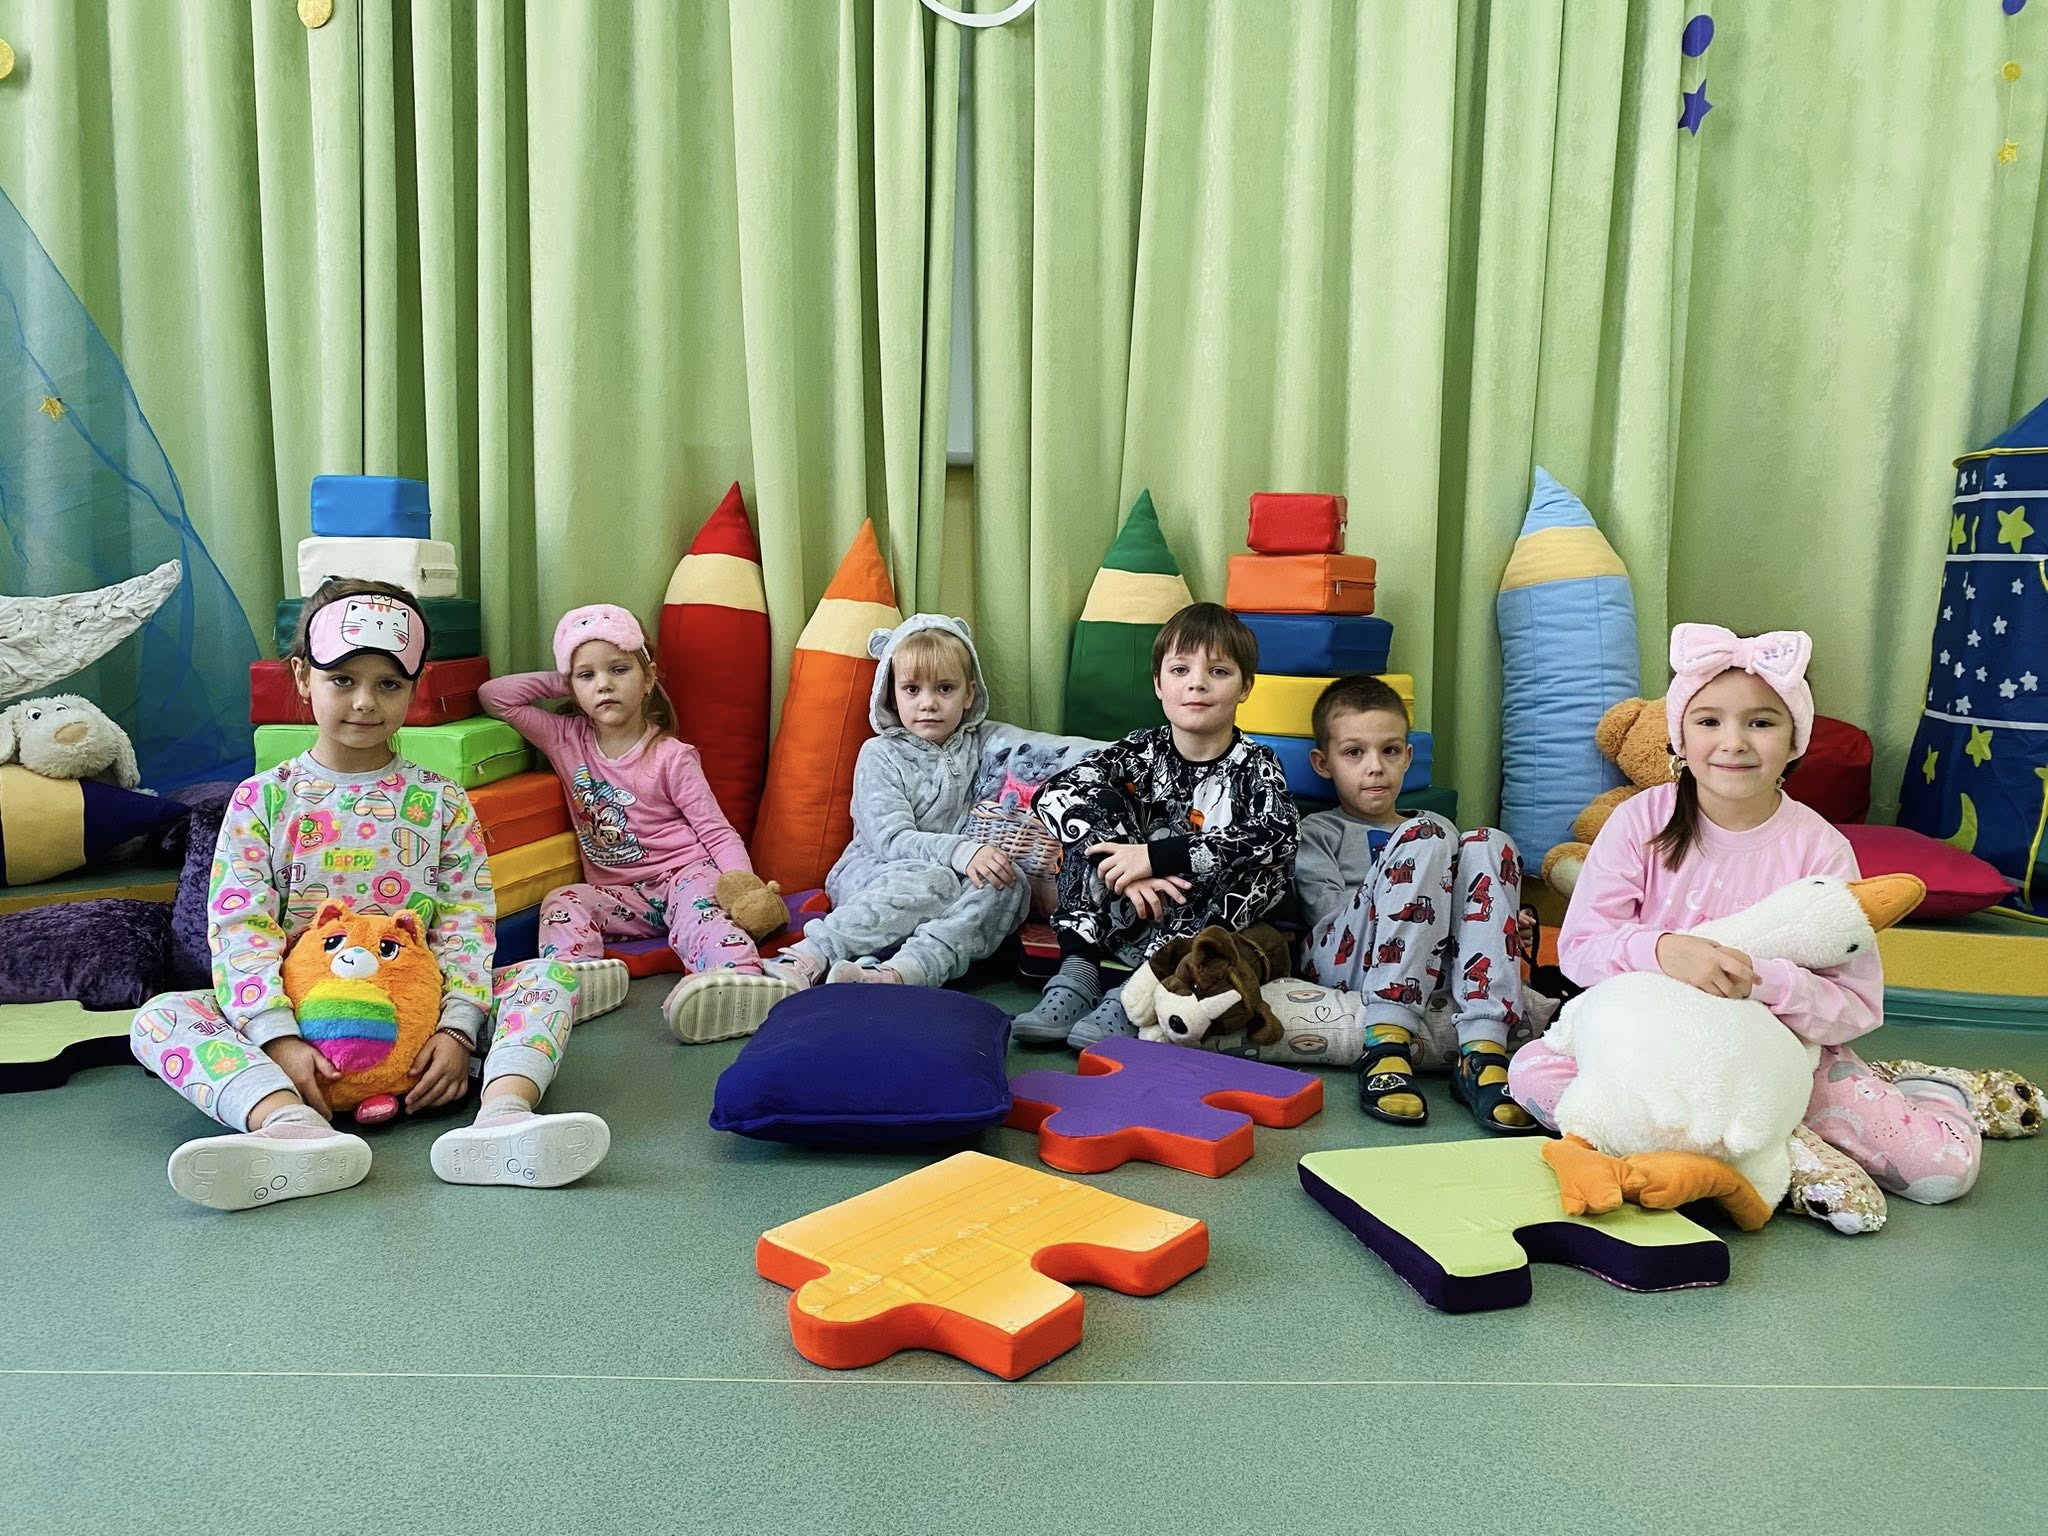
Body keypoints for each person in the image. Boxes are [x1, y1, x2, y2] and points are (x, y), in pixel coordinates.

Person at [129, 579, 625, 1210]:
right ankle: (288, 1124)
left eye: (389, 684)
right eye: (343, 680)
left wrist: (458, 1031)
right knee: (160, 1018)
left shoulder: (441, 801)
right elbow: (240, 929)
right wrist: (278, 1039)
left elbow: (466, 924)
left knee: (548, 979)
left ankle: (503, 1118)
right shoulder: (262, 800)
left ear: (415, 689)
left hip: (423, 1038)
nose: (365, 702)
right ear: (302, 677)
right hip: (298, 1040)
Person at [1508, 623, 1982, 1207]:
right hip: (1653, 1041)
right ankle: (1759, 1149)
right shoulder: (1640, 822)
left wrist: (1759, 982)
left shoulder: (1821, 848)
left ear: (1795, 738)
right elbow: (1581, 949)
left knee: (1940, 1174)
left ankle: (1932, 1092)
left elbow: (1856, 1005)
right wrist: (1664, 951)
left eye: (1761, 722)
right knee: (1531, 1073)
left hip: (1780, 1060)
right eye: (1709, 721)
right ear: (1680, 736)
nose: (1733, 742)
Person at [481, 603, 782, 1041]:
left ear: (648, 678)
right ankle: (573, 979)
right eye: (588, 676)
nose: (604, 684)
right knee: (563, 899)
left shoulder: (672, 756)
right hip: (622, 896)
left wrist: (743, 888)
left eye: (619, 670)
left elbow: (716, 831)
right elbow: (495, 696)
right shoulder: (565, 738)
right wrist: (567, 678)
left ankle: (740, 979)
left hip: (683, 876)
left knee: (701, 914)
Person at [1012, 603, 1298, 1048]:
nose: (1197, 683)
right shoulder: (1141, 750)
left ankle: (1137, 993)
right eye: (1180, 670)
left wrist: (1155, 857)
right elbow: (1054, 792)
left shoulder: (1255, 765)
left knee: (1258, 863)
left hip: (1192, 921)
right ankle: (1077, 974)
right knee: (1084, 834)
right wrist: (1126, 864)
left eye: (1219, 671)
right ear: (1159, 684)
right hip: (1126, 905)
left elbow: (1280, 833)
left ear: (1245, 687)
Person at [1294, 675, 1536, 1131]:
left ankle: (1482, 1050)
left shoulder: (1437, 829)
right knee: (1428, 836)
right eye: (1354, 753)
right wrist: (1400, 869)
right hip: (1347, 956)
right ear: (1323, 763)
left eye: (1389, 751)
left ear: (1408, 757)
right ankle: (1385, 1042)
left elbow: (1463, 900)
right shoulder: (1319, 831)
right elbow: (1327, 917)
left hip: (1430, 957)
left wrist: (1500, 923)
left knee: (1490, 841)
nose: (1375, 768)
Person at [760, 614, 1029, 990]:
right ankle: (810, 954)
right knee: (933, 880)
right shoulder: (879, 754)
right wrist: (961, 852)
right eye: (912, 690)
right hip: (876, 871)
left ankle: (905, 970)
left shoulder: (981, 744)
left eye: (945, 689)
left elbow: (1040, 752)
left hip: (951, 875)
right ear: (891, 694)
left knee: (1009, 882)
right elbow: (891, 839)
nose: (928, 704)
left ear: (969, 694)